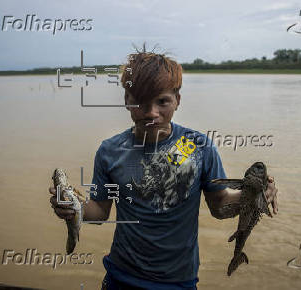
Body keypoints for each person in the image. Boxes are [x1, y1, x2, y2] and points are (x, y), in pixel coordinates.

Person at [49, 48, 279, 289]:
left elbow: (220, 206)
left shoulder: (196, 146)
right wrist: (72, 208)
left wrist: (253, 194)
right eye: (140, 102)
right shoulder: (110, 151)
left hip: (179, 281)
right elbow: (100, 212)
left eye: (163, 102)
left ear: (177, 100)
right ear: (127, 100)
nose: (151, 113)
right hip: (121, 277)